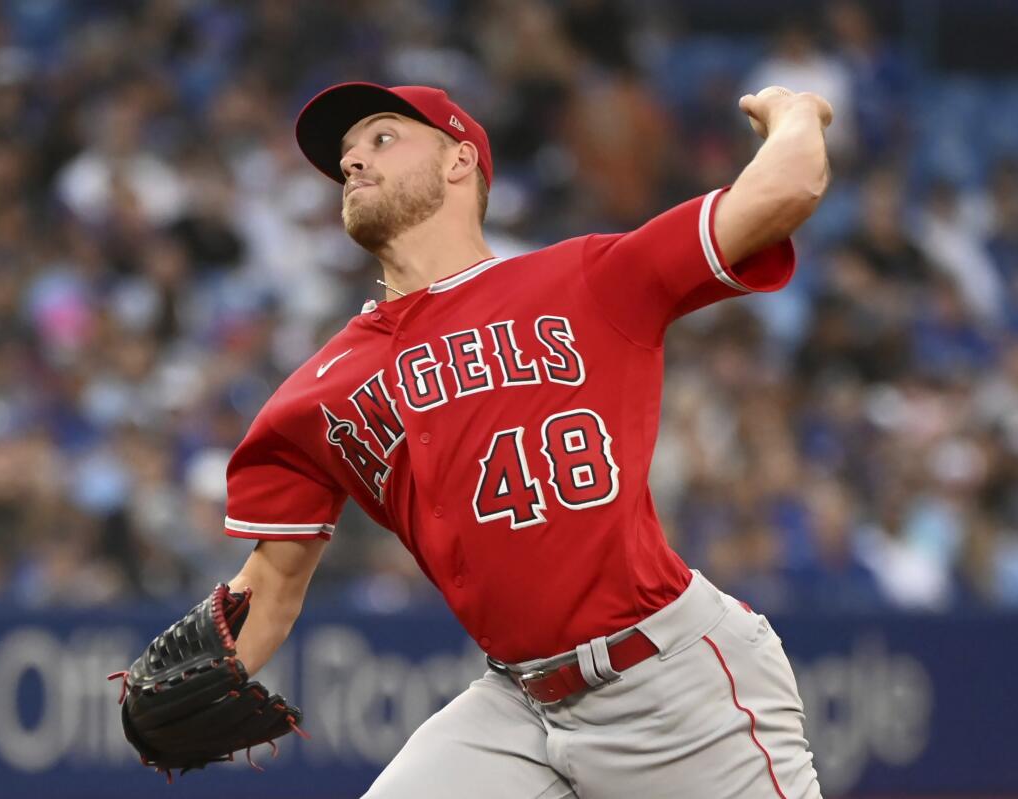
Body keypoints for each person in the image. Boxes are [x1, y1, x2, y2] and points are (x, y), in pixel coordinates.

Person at [223, 81, 831, 798]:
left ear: (459, 162)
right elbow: (272, 583)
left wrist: (797, 112)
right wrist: (198, 668)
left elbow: (788, 185)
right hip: (517, 704)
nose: (353, 162)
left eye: (381, 139)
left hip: (671, 681)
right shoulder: (323, 388)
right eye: (345, 157)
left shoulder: (584, 279)